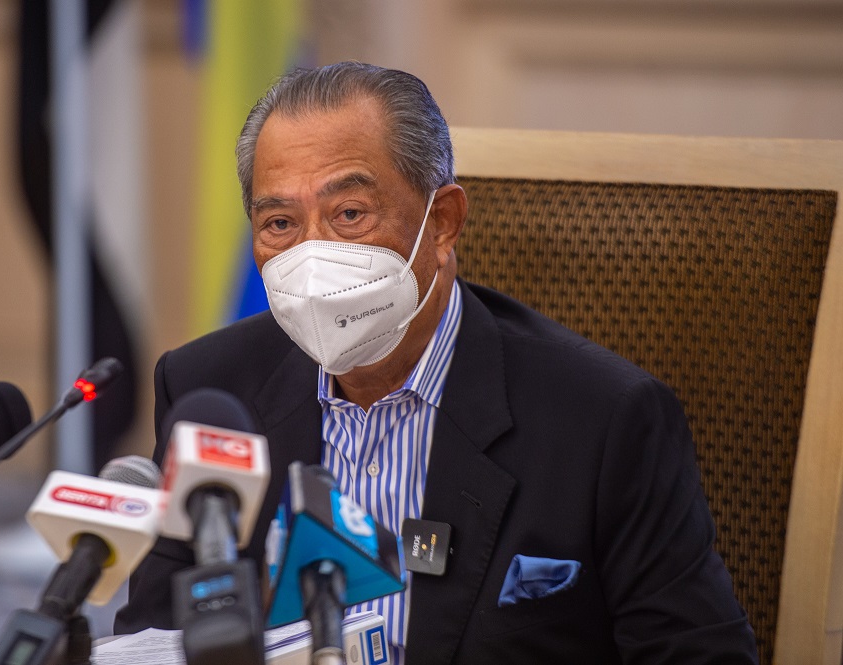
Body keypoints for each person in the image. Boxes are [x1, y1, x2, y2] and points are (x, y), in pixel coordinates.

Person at [115, 61, 758, 663]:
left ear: (443, 222)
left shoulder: (605, 420)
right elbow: (153, 637)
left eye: (349, 214)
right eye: (279, 222)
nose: (310, 258)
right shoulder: (207, 386)